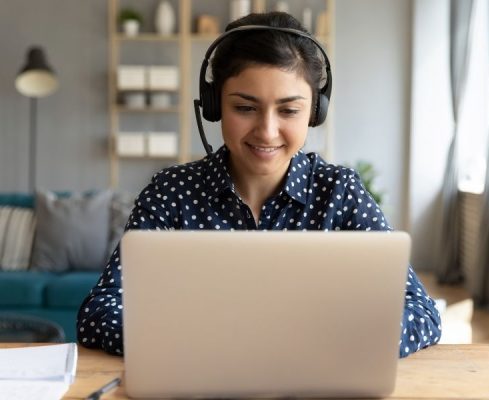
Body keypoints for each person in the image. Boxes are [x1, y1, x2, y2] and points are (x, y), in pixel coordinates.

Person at [77, 12, 441, 358]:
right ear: (214, 104)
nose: (267, 131)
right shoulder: (171, 193)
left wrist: (320, 343)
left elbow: (419, 311)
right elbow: (100, 312)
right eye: (245, 108)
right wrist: (215, 345)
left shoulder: (339, 193)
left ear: (315, 111)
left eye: (288, 110)